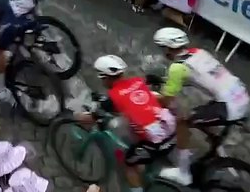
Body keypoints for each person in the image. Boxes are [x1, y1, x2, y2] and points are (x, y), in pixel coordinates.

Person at [151, 27, 250, 185]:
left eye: (162, 48)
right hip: (240, 94)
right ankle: (214, 147)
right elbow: (199, 76)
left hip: (229, 106)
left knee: (182, 122)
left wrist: (153, 96)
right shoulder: (199, 52)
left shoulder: (177, 68)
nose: (163, 52)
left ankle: (183, 173)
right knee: (201, 113)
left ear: (168, 48)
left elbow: (166, 100)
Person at [75, 55, 177, 192]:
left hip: (158, 143)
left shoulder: (112, 98)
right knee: (133, 130)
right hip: (172, 133)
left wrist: (75, 117)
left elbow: (89, 119)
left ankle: (137, 189)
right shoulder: (138, 81)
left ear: (105, 77)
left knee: (129, 164)